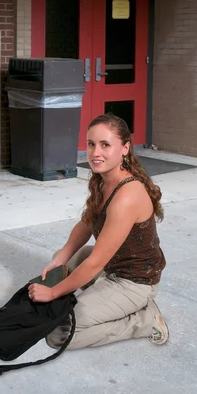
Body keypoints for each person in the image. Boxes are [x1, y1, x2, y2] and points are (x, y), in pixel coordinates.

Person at [28, 113, 168, 350]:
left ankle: (144, 321)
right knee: (66, 261)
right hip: (113, 265)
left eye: (105, 145)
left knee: (59, 335)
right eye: (91, 144)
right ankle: (103, 301)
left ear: (125, 148)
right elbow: (86, 223)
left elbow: (94, 263)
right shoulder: (104, 179)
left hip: (134, 282)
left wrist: (53, 294)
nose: (95, 153)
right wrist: (60, 258)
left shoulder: (127, 196)